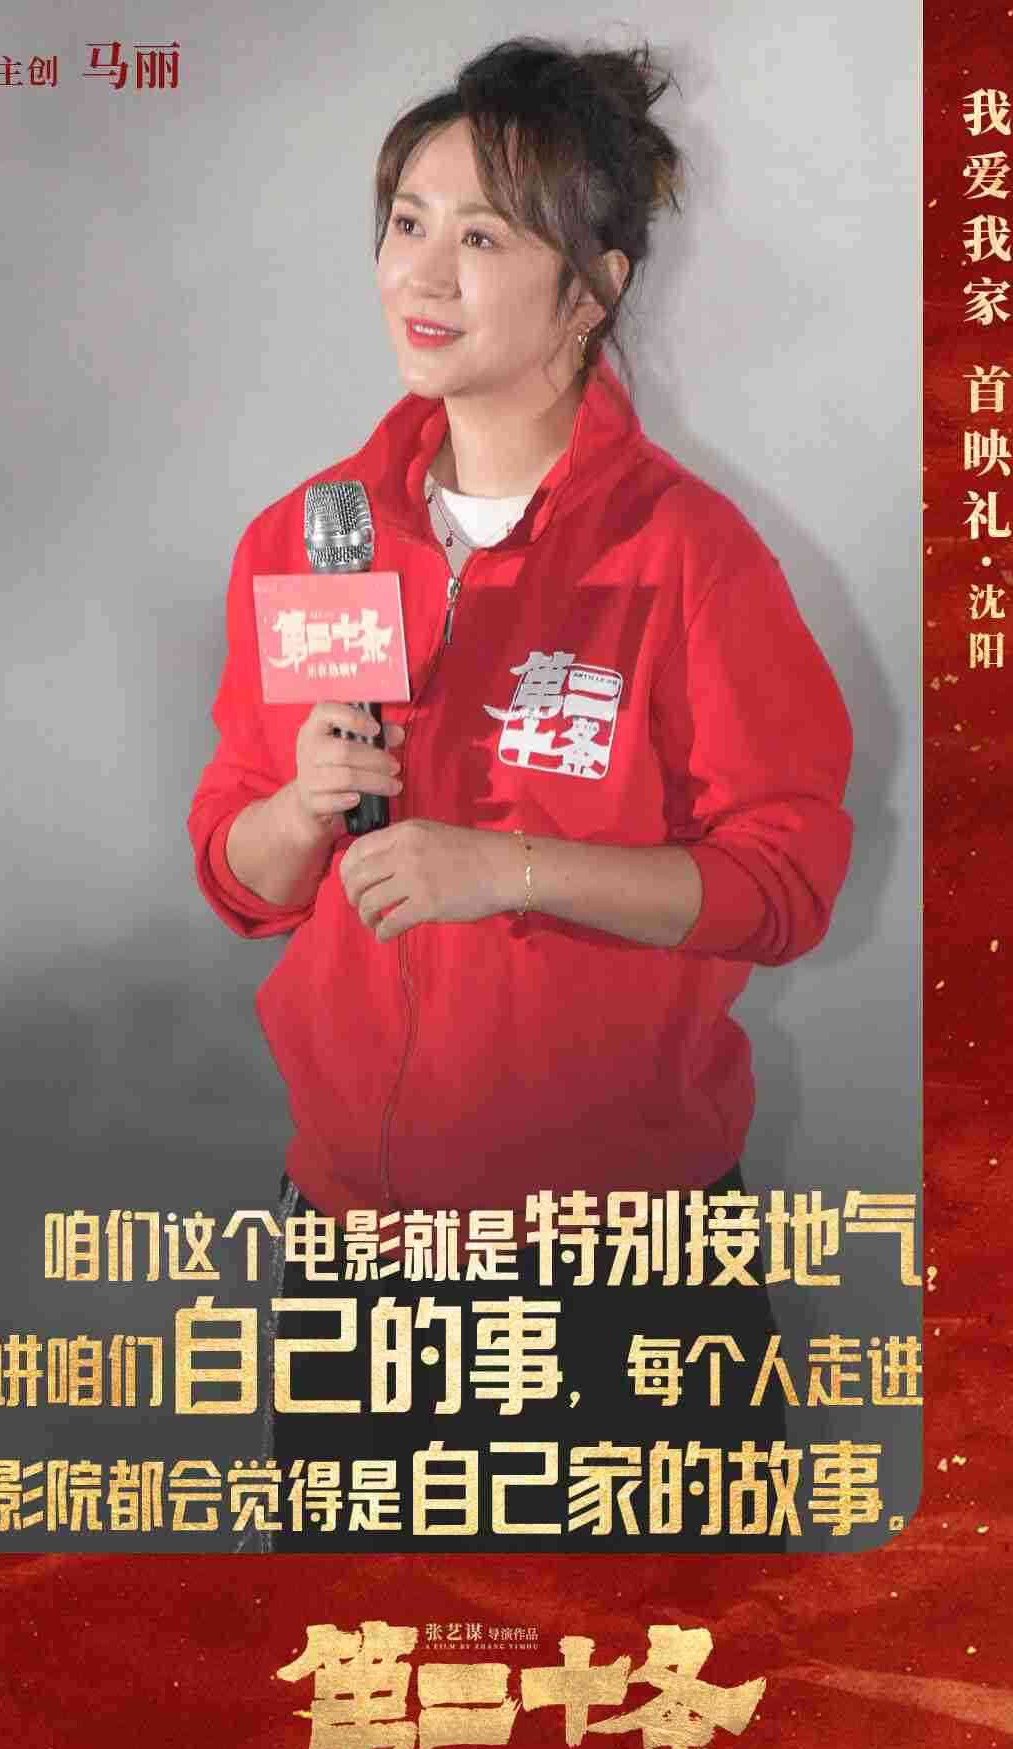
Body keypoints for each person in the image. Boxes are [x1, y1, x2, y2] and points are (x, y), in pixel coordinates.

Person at [188, 37, 854, 1554]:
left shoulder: (688, 555)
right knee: (373, 1675)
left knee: (659, 1683)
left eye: (483, 237)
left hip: (622, 1269)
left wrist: (511, 870)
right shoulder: (310, 537)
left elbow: (784, 885)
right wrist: (297, 810)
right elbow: (241, 878)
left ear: (592, 288)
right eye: (406, 222)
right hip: (359, 1256)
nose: (421, 273)